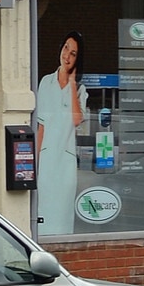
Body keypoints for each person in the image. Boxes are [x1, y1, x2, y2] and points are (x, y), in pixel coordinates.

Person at [35, 32, 87, 237]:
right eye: (66, 48)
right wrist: (35, 163)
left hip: (65, 165)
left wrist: (72, 85)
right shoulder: (45, 82)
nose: (67, 56)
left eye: (73, 53)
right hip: (47, 162)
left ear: (77, 59)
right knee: (44, 216)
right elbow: (41, 127)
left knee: (63, 218)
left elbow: (76, 119)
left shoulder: (81, 89)